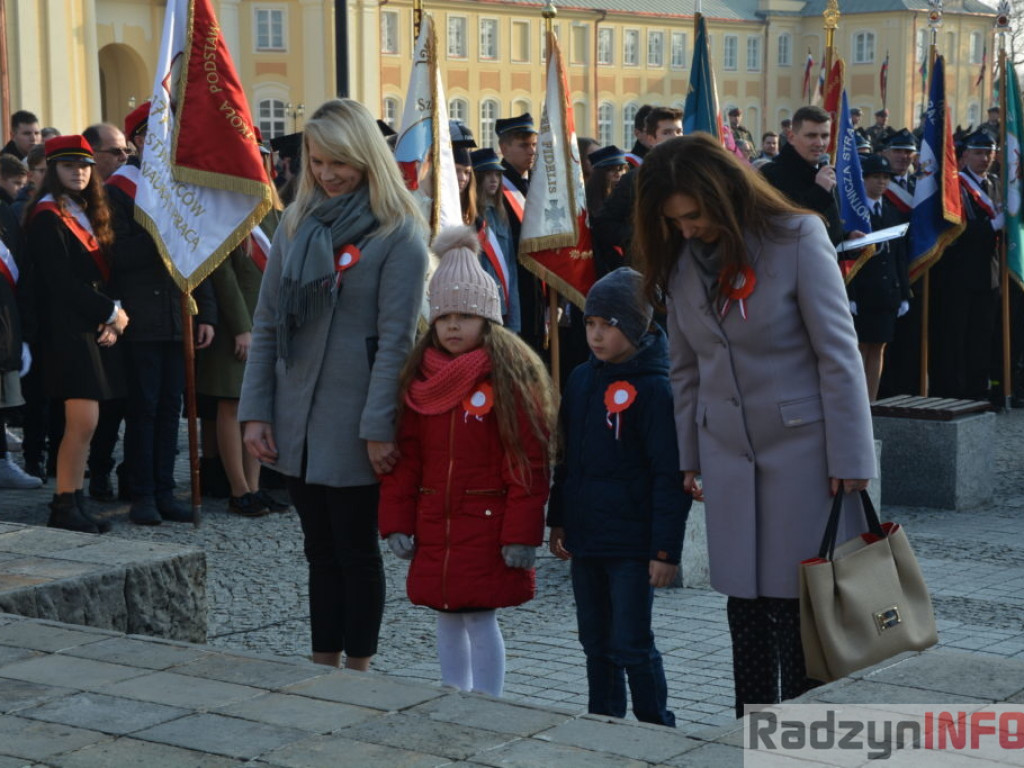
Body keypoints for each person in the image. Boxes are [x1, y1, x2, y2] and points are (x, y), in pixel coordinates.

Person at [634, 134, 876, 718]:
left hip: (805, 457)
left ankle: (804, 739)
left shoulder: (798, 237)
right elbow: (685, 368)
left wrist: (852, 458)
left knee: (801, 611)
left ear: (724, 193)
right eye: (674, 221)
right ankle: (751, 731)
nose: (687, 229)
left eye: (694, 215)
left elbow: (838, 355)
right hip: (727, 459)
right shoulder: (683, 263)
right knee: (745, 608)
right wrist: (690, 454)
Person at [240, 98, 430, 671]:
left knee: (355, 550)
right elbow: (267, 322)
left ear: (366, 157)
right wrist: (256, 412)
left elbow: (396, 342)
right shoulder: (298, 221)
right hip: (296, 415)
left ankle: (359, 669)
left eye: (338, 162)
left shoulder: (399, 233)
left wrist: (379, 427)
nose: (326, 174)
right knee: (318, 550)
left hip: (354, 419)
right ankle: (323, 664)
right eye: (317, 161)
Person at [379, 225, 555, 696]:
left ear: (488, 319)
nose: (453, 326)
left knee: (479, 616)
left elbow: (526, 463)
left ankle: (489, 700)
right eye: (444, 316)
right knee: (446, 614)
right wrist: (396, 522)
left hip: (487, 523)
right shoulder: (419, 380)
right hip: (436, 521)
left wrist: (521, 534)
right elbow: (406, 460)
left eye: (465, 316)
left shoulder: (510, 378)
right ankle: (451, 691)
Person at [547, 267, 689, 727]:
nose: (595, 335)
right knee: (595, 641)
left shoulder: (656, 388)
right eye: (589, 323)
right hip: (587, 537)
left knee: (631, 642)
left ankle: (655, 728)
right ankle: (603, 724)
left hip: (632, 544)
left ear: (635, 326)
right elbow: (566, 458)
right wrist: (559, 519)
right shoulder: (581, 379)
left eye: (607, 325)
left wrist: (665, 551)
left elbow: (669, 476)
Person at [109, 101, 217, 525]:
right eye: (153, 135)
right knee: (145, 409)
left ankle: (166, 489)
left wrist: (206, 313)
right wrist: (160, 233)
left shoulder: (178, 184)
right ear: (136, 140)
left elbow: (199, 253)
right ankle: (142, 493)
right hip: (141, 314)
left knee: (172, 408)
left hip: (178, 313)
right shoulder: (119, 189)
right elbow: (115, 255)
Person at [25, 135, 129, 532]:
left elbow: (103, 275)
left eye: (84, 166)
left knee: (88, 423)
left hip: (88, 325)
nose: (79, 172)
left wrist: (111, 315)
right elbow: (60, 282)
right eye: (69, 166)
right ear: (53, 170)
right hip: (64, 329)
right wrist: (110, 312)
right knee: (82, 422)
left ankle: (73, 500)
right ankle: (64, 504)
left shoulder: (86, 211)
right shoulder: (47, 216)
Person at [197, 139, 288, 518]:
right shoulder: (225, 210)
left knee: (258, 406)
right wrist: (241, 327)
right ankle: (238, 489)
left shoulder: (273, 210)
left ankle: (255, 485)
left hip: (267, 323)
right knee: (232, 404)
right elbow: (224, 275)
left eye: (262, 158)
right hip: (237, 325)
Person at [928, 129, 1001, 401]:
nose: (985, 159)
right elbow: (951, 229)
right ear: (966, 155)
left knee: (982, 336)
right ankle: (952, 392)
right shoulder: (955, 185)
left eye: (989, 153)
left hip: (989, 274)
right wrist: (990, 226)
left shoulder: (995, 184)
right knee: (955, 337)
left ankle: (977, 390)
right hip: (958, 274)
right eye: (979, 153)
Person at [847, 155, 910, 401]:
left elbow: (899, 256)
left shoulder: (893, 213)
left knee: (879, 347)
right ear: (864, 179)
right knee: (861, 347)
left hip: (887, 291)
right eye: (876, 177)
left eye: (885, 178)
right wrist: (850, 295)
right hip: (863, 292)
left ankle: (871, 401)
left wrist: (903, 293)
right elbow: (848, 259)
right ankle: (858, 402)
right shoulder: (854, 213)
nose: (881, 182)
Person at [592, 106, 683, 277]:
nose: (675, 137)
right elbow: (604, 224)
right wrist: (639, 235)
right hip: (647, 269)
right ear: (651, 139)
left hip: (684, 266)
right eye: (667, 132)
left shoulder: (693, 177)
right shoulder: (634, 180)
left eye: (679, 131)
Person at [761, 105, 851, 246]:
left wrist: (846, 238)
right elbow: (784, 227)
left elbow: (828, 227)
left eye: (825, 136)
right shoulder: (771, 175)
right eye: (811, 136)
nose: (820, 143)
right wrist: (820, 191)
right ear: (791, 137)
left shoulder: (826, 172)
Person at [470, 148, 520, 332]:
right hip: (477, 306)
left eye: (497, 175)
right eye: (488, 174)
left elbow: (510, 269)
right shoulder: (469, 215)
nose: (494, 180)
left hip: (501, 306)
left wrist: (514, 322)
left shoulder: (501, 215)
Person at [584, 144, 628, 219]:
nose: (618, 174)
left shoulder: (630, 193)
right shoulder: (587, 199)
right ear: (599, 174)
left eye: (621, 168)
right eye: (611, 169)